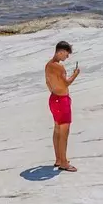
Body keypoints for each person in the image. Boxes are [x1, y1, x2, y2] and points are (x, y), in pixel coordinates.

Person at [44, 42, 79, 172]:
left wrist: (55, 89)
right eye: (66, 54)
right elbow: (66, 83)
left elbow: (48, 83)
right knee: (64, 132)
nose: (67, 57)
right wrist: (76, 74)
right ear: (60, 52)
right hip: (61, 100)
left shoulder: (48, 65)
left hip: (53, 98)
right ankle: (64, 162)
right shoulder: (59, 67)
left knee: (57, 129)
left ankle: (59, 159)